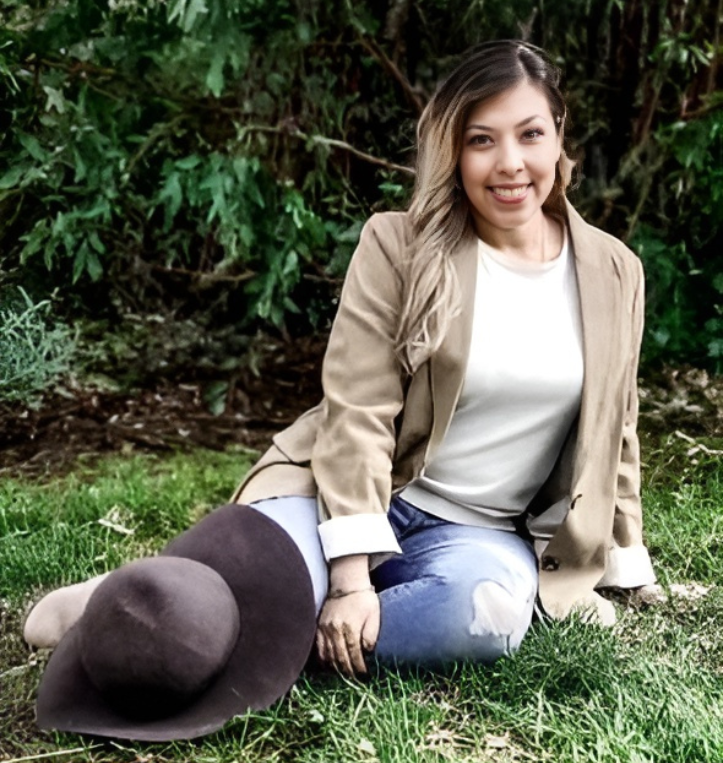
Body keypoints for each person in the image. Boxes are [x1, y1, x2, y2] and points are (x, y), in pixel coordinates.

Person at [25, 40, 657, 737]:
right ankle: (127, 611)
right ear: (454, 151)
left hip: (478, 534)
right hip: (348, 493)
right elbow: (357, 411)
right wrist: (352, 577)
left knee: (487, 618)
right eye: (482, 140)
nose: (509, 163)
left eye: (529, 134)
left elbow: (613, 428)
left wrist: (624, 562)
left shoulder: (612, 270)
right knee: (226, 587)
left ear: (559, 137)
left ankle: (256, 632)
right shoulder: (399, 245)